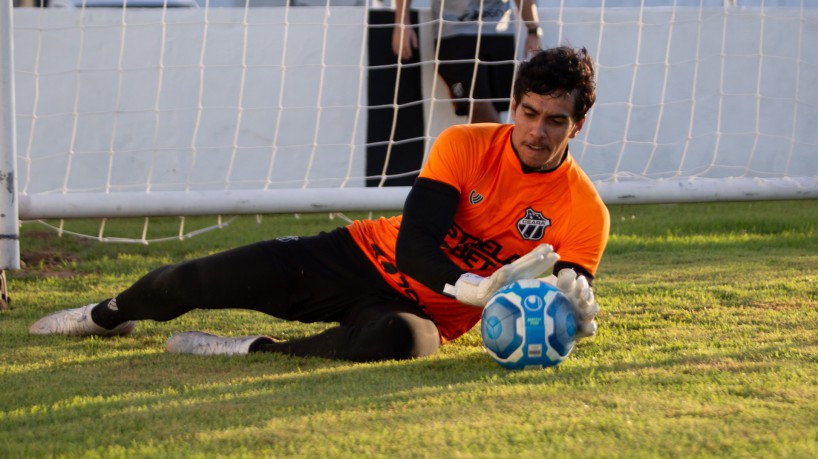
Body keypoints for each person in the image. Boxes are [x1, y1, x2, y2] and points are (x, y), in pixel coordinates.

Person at [30, 46, 609, 363]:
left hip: (425, 314)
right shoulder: (464, 145)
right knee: (193, 280)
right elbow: (413, 243)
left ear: (576, 126)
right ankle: (105, 316)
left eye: (554, 120)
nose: (536, 131)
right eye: (529, 113)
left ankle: (251, 349)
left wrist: (575, 312)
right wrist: (472, 286)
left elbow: (569, 286)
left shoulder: (586, 211)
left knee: (402, 343)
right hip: (356, 256)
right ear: (514, 106)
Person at [392, 0, 542, 124]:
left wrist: (533, 30)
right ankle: (505, 155)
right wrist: (402, 23)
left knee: (495, 107)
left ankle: (491, 157)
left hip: (499, 34)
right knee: (479, 106)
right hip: (456, 35)